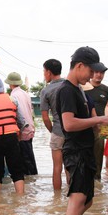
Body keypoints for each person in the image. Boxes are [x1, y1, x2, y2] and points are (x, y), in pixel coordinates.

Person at [56, 47, 108, 215]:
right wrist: (99, 119)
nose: (92, 76)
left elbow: (90, 121)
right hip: (76, 151)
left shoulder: (80, 91)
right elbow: (69, 124)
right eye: (90, 71)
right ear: (79, 66)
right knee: (79, 198)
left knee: (88, 199)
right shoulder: (66, 90)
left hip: (86, 149)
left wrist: (103, 123)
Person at [84, 63, 108, 180]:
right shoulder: (83, 87)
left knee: (97, 158)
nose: (99, 75)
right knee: (82, 158)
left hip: (99, 129)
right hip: (82, 127)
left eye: (102, 73)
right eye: (96, 72)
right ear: (91, 72)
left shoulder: (106, 90)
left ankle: (97, 185)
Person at [40, 59, 66, 191]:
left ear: (49, 72)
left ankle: (56, 200)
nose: (44, 74)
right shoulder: (73, 86)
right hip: (73, 132)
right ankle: (71, 197)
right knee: (70, 167)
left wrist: (53, 130)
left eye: (44, 71)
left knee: (57, 167)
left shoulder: (46, 91)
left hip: (57, 131)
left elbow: (45, 117)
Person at [5, 71, 38, 176]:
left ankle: (29, 185)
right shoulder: (25, 94)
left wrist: (18, 132)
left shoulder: (13, 96)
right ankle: (34, 182)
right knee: (30, 158)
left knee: (25, 161)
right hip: (30, 129)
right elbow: (31, 111)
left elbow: (18, 116)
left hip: (22, 131)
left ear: (10, 84)